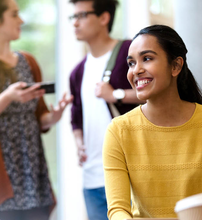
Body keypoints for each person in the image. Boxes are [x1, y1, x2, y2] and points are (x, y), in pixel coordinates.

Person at [0, 0, 72, 219]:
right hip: (1, 180)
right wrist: (7, 97)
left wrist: (54, 116)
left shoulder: (28, 61)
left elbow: (39, 118)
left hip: (34, 178)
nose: (22, 20)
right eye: (15, 15)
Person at [103, 24, 202, 219]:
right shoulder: (119, 130)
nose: (136, 70)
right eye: (131, 63)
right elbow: (117, 210)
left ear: (176, 66)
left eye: (147, 59)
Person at [68, 0, 144, 219]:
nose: (75, 23)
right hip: (92, 178)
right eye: (73, 17)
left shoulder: (129, 53)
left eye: (81, 16)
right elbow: (76, 117)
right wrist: (79, 142)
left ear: (104, 18)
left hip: (131, 174)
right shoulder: (77, 72)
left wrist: (116, 94)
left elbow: (157, 93)